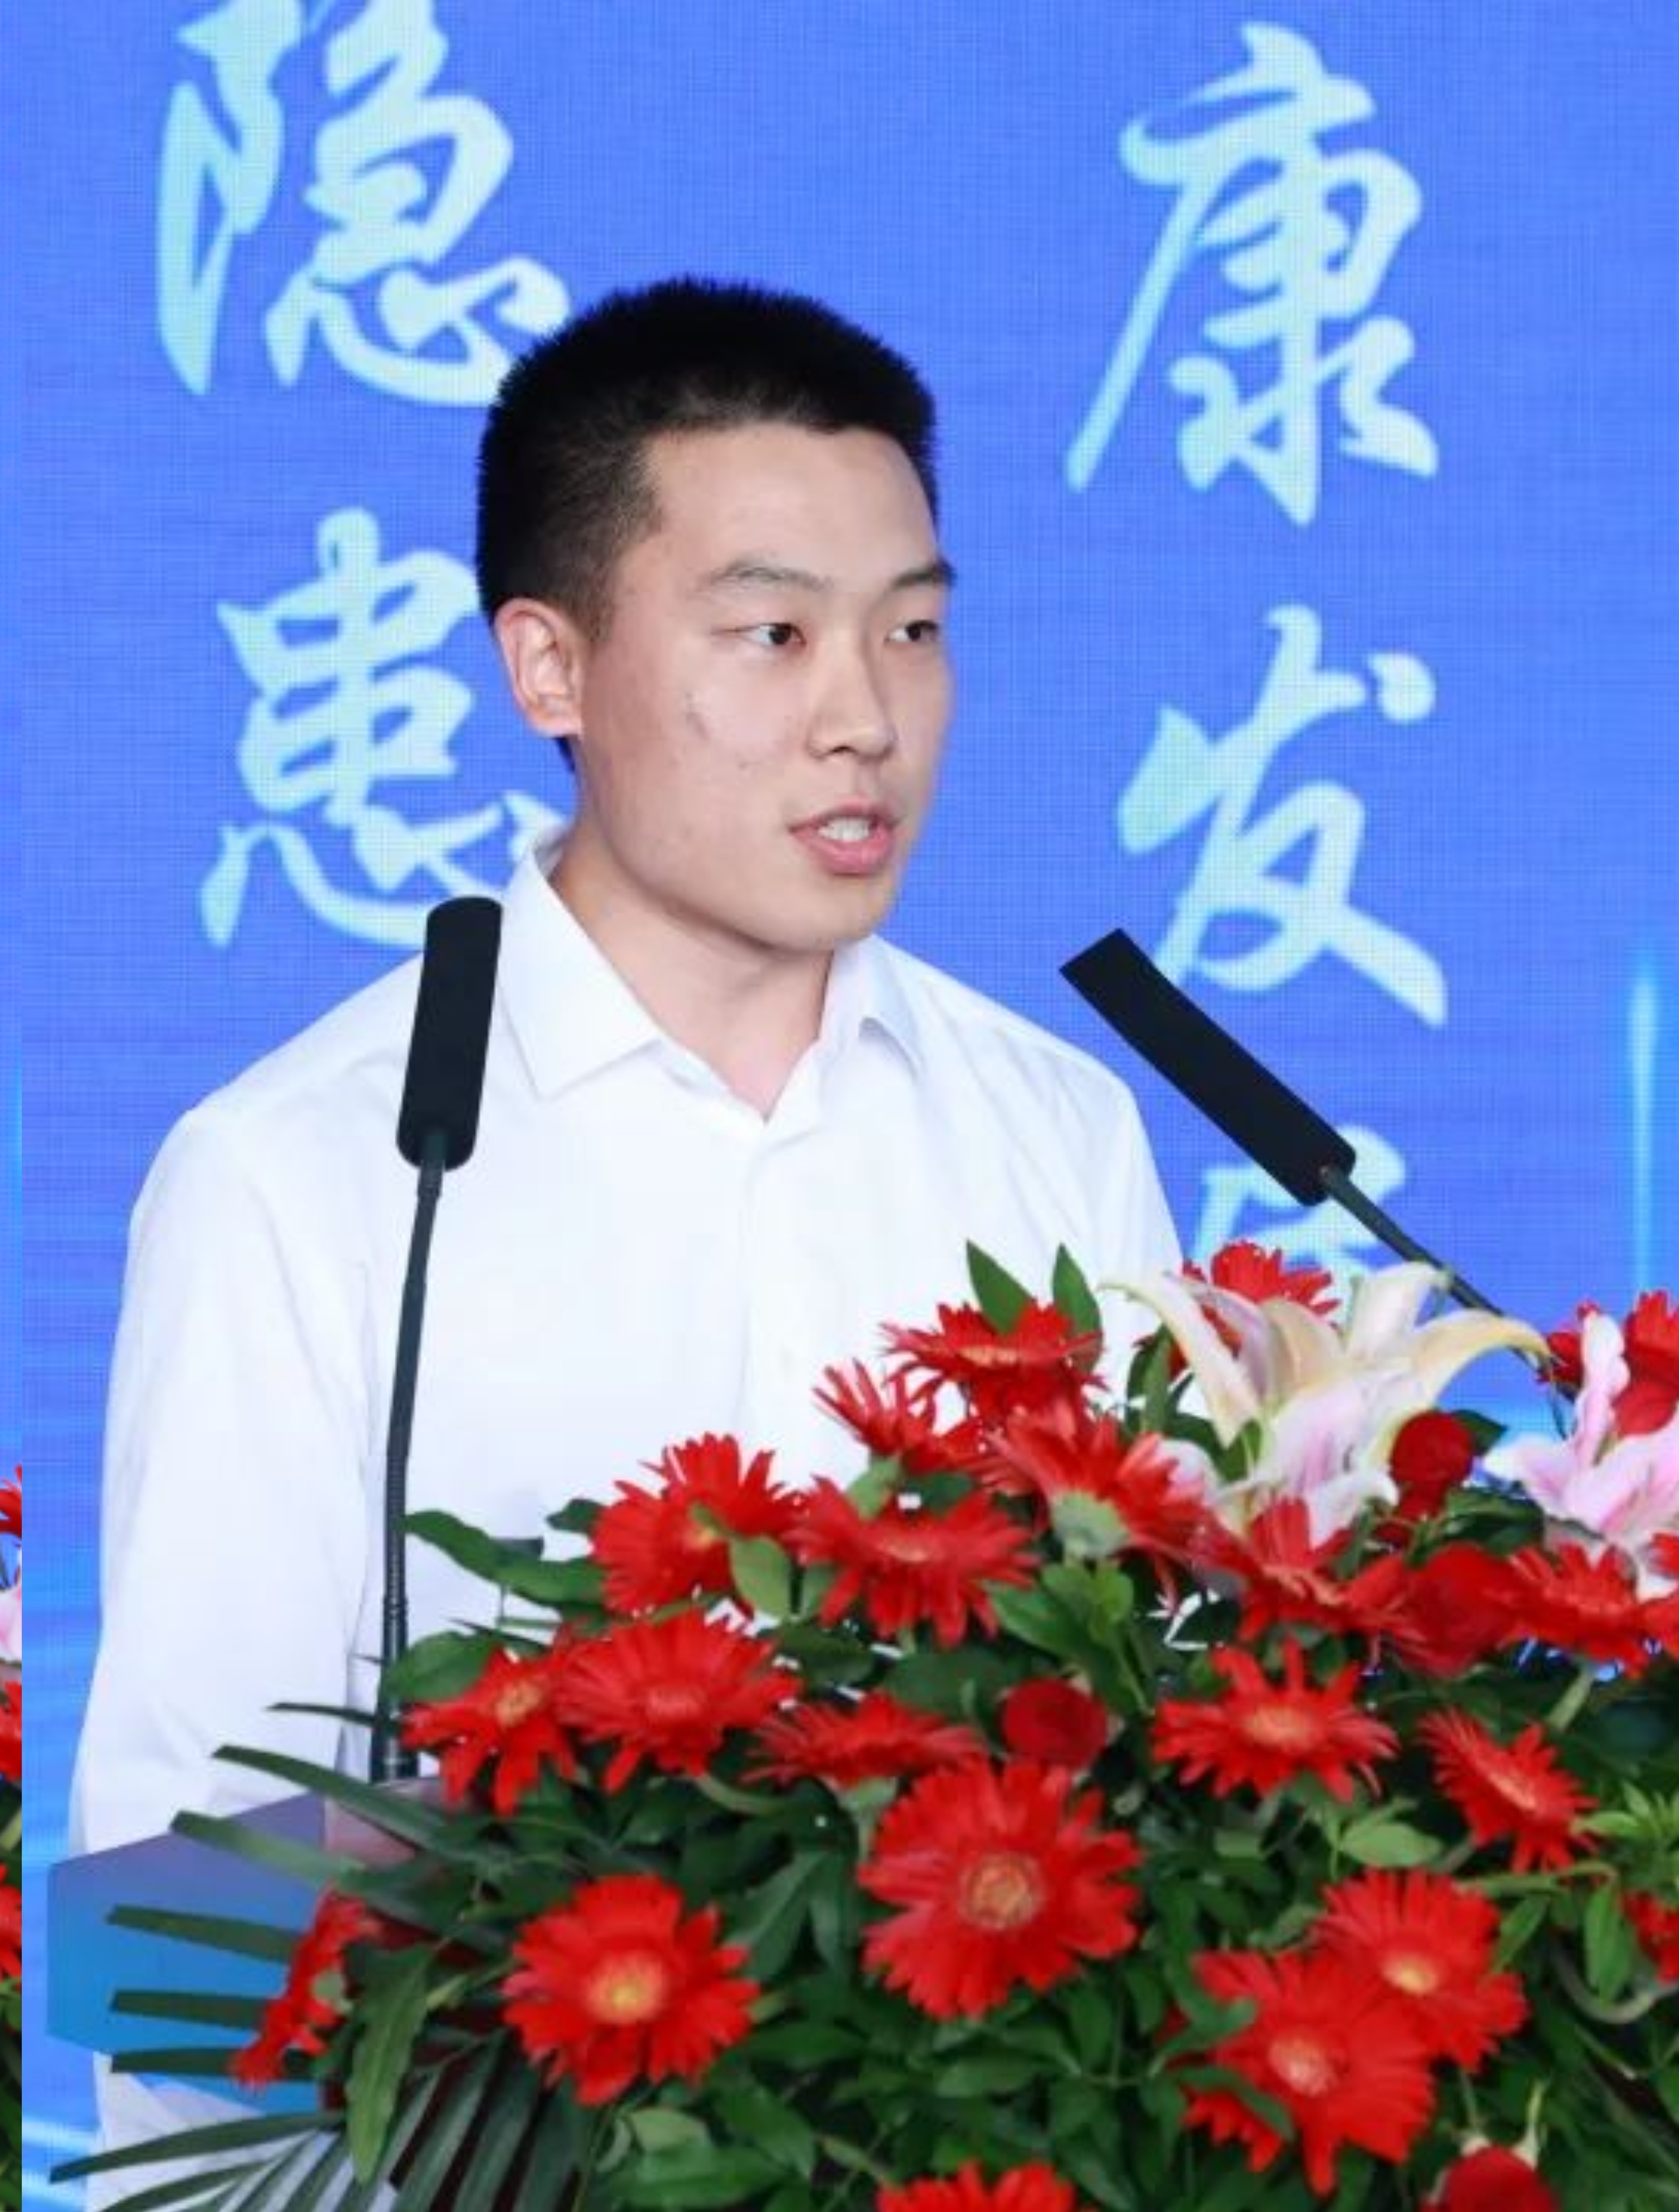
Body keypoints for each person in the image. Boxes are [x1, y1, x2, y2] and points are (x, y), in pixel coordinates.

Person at [65, 276, 1182, 2167]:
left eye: (910, 631)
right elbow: (161, 1943)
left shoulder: (1054, 1132)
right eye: (769, 634)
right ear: (547, 668)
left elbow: (1163, 1756)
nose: (862, 718)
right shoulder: (307, 1174)